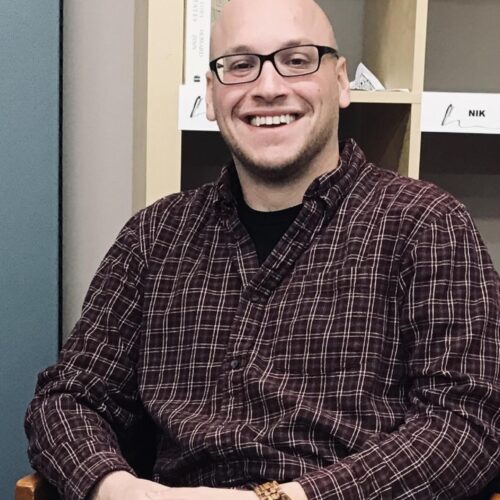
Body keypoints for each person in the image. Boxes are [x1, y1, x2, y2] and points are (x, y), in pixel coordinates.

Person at [25, 0, 500, 499]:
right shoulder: (154, 237)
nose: (268, 88)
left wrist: (286, 499)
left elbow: (469, 422)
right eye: (241, 65)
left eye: (297, 60)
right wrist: (117, 488)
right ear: (211, 94)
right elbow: (69, 397)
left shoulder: (427, 224)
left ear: (340, 82)